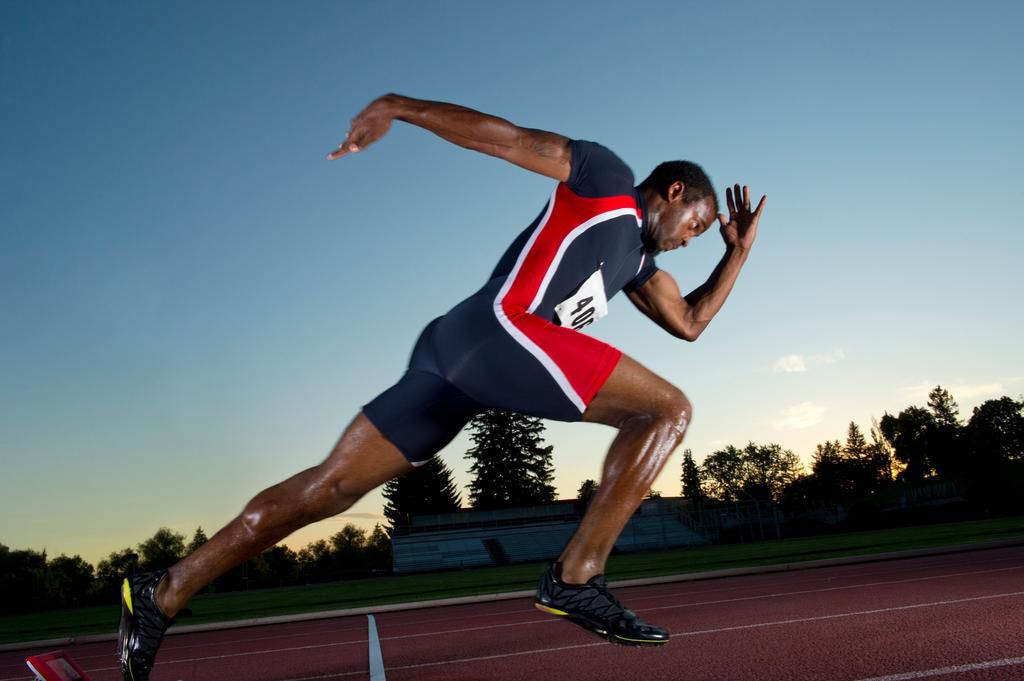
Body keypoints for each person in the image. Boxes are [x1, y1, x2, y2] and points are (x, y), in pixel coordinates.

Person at [117, 93, 766, 679]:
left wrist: (734, 254)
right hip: (498, 330)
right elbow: (507, 139)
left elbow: (690, 322)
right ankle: (576, 574)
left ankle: (163, 591)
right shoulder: (610, 181)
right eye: (699, 226)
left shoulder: (639, 266)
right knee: (668, 410)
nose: (691, 241)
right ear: (676, 191)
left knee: (329, 487)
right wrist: (399, 108)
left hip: (458, 355)